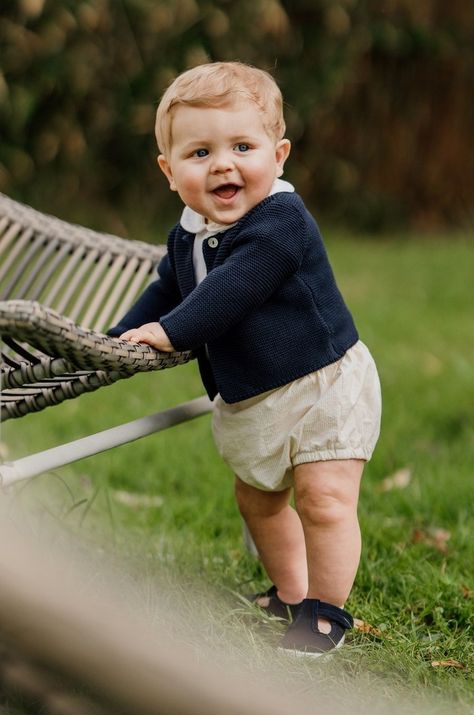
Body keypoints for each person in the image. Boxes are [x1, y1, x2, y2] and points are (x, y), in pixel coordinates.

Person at [108, 61, 382, 656]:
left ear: (278, 155)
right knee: (258, 499)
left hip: (323, 386)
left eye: (242, 146)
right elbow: (169, 289)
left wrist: (173, 333)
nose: (223, 164)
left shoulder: (282, 223)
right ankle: (290, 590)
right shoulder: (188, 230)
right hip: (256, 394)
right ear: (169, 171)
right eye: (199, 152)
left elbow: (230, 293)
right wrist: (120, 334)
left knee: (324, 499)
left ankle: (326, 613)